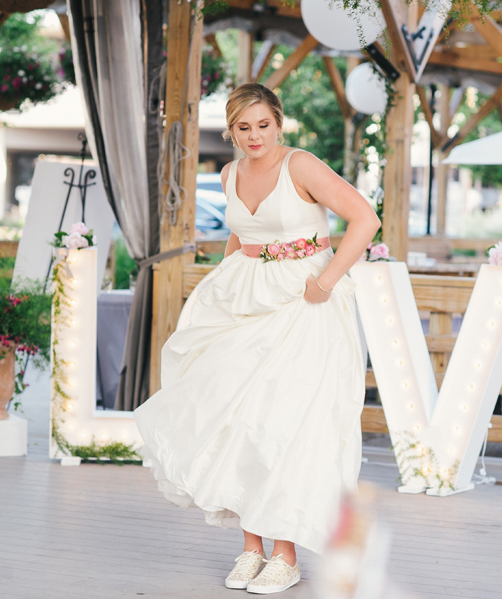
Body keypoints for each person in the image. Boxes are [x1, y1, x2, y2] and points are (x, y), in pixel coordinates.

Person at [134, 82, 380, 595]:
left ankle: (285, 554)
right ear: (231, 130)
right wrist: (220, 287)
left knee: (283, 422)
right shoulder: (229, 173)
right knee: (237, 420)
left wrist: (326, 281)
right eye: (243, 127)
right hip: (243, 301)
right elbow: (241, 234)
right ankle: (251, 547)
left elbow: (365, 219)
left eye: (262, 125)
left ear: (279, 122)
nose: (254, 136)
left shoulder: (302, 165)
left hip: (302, 304)